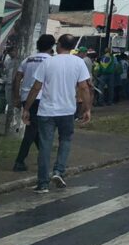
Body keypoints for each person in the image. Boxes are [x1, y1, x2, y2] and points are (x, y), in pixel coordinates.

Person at [22, 34, 91, 193]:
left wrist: (27, 108)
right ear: (73, 47)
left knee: (45, 144)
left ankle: (43, 183)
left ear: (59, 45)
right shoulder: (79, 63)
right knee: (65, 140)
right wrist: (86, 109)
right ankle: (59, 171)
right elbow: (84, 87)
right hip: (67, 110)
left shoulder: (48, 62)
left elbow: (36, 87)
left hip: (47, 110)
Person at [12, 34, 56, 172]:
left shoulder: (27, 60)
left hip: (26, 98)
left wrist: (17, 97)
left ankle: (44, 157)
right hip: (42, 97)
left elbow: (17, 78)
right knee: (32, 130)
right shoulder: (52, 61)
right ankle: (19, 161)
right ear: (51, 46)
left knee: (35, 129)